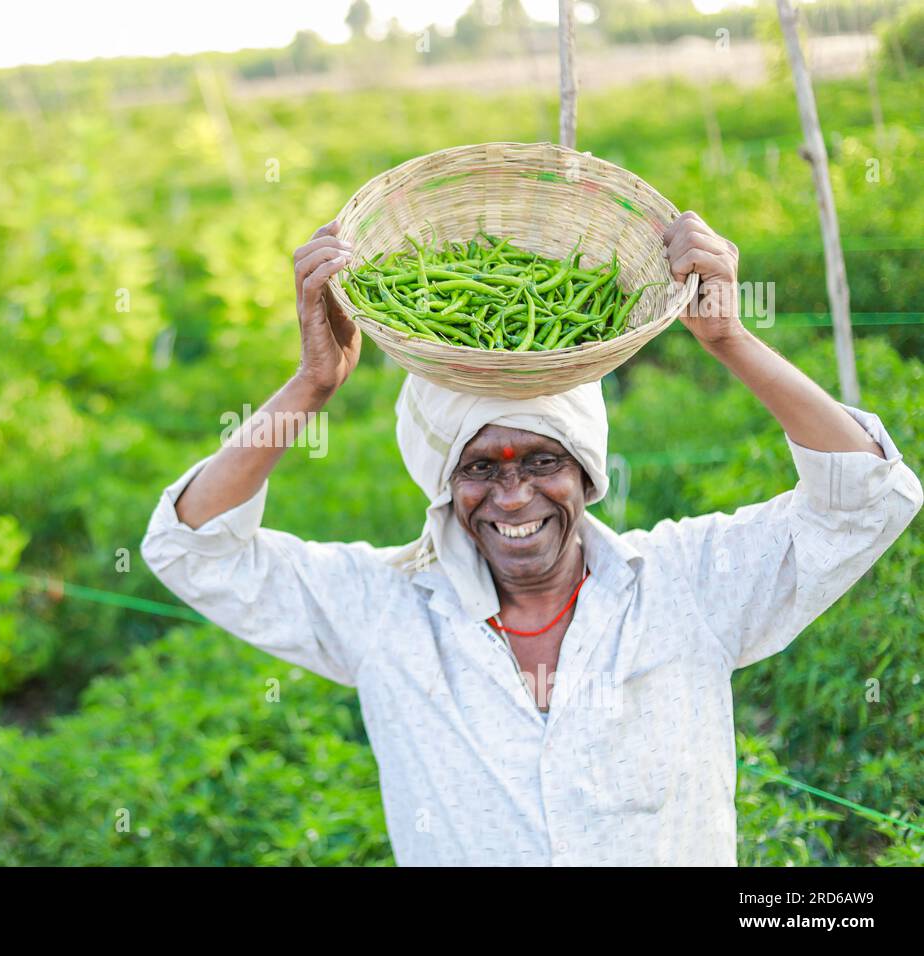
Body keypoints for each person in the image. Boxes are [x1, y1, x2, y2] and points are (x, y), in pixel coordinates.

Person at [139, 212, 922, 866]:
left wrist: (729, 341)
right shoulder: (386, 610)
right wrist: (312, 384)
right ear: (445, 484)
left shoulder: (685, 585)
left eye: (542, 460)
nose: (513, 495)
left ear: (585, 473)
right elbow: (193, 548)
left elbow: (863, 500)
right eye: (480, 466)